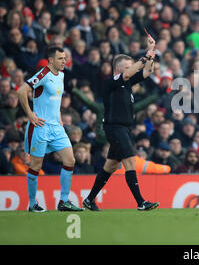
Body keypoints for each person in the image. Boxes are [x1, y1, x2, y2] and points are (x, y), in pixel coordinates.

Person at [83, 35, 160, 211]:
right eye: (128, 66)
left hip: (124, 128)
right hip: (115, 127)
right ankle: (141, 202)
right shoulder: (110, 82)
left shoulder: (127, 83)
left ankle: (89, 199)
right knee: (131, 162)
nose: (131, 70)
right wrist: (144, 57)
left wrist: (152, 52)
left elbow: (148, 72)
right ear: (117, 69)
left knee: (110, 166)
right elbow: (128, 73)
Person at [17, 46, 83, 212]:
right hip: (40, 127)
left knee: (70, 160)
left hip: (56, 127)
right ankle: (32, 204)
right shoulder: (43, 74)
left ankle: (64, 202)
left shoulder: (61, 75)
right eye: (60, 58)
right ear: (51, 60)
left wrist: (59, 114)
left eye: (65, 58)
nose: (64, 61)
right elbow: (21, 91)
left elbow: (54, 99)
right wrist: (31, 114)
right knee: (36, 166)